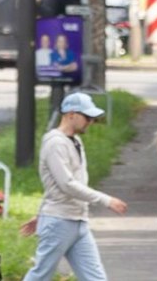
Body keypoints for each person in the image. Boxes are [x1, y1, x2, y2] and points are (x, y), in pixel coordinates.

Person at [20, 90, 127, 281]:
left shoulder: (75, 141)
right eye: (87, 117)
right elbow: (66, 184)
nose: (91, 122)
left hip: (77, 220)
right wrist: (106, 200)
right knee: (40, 275)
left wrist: (41, 214)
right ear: (71, 115)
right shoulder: (55, 143)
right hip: (59, 221)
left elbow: (56, 184)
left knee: (96, 278)